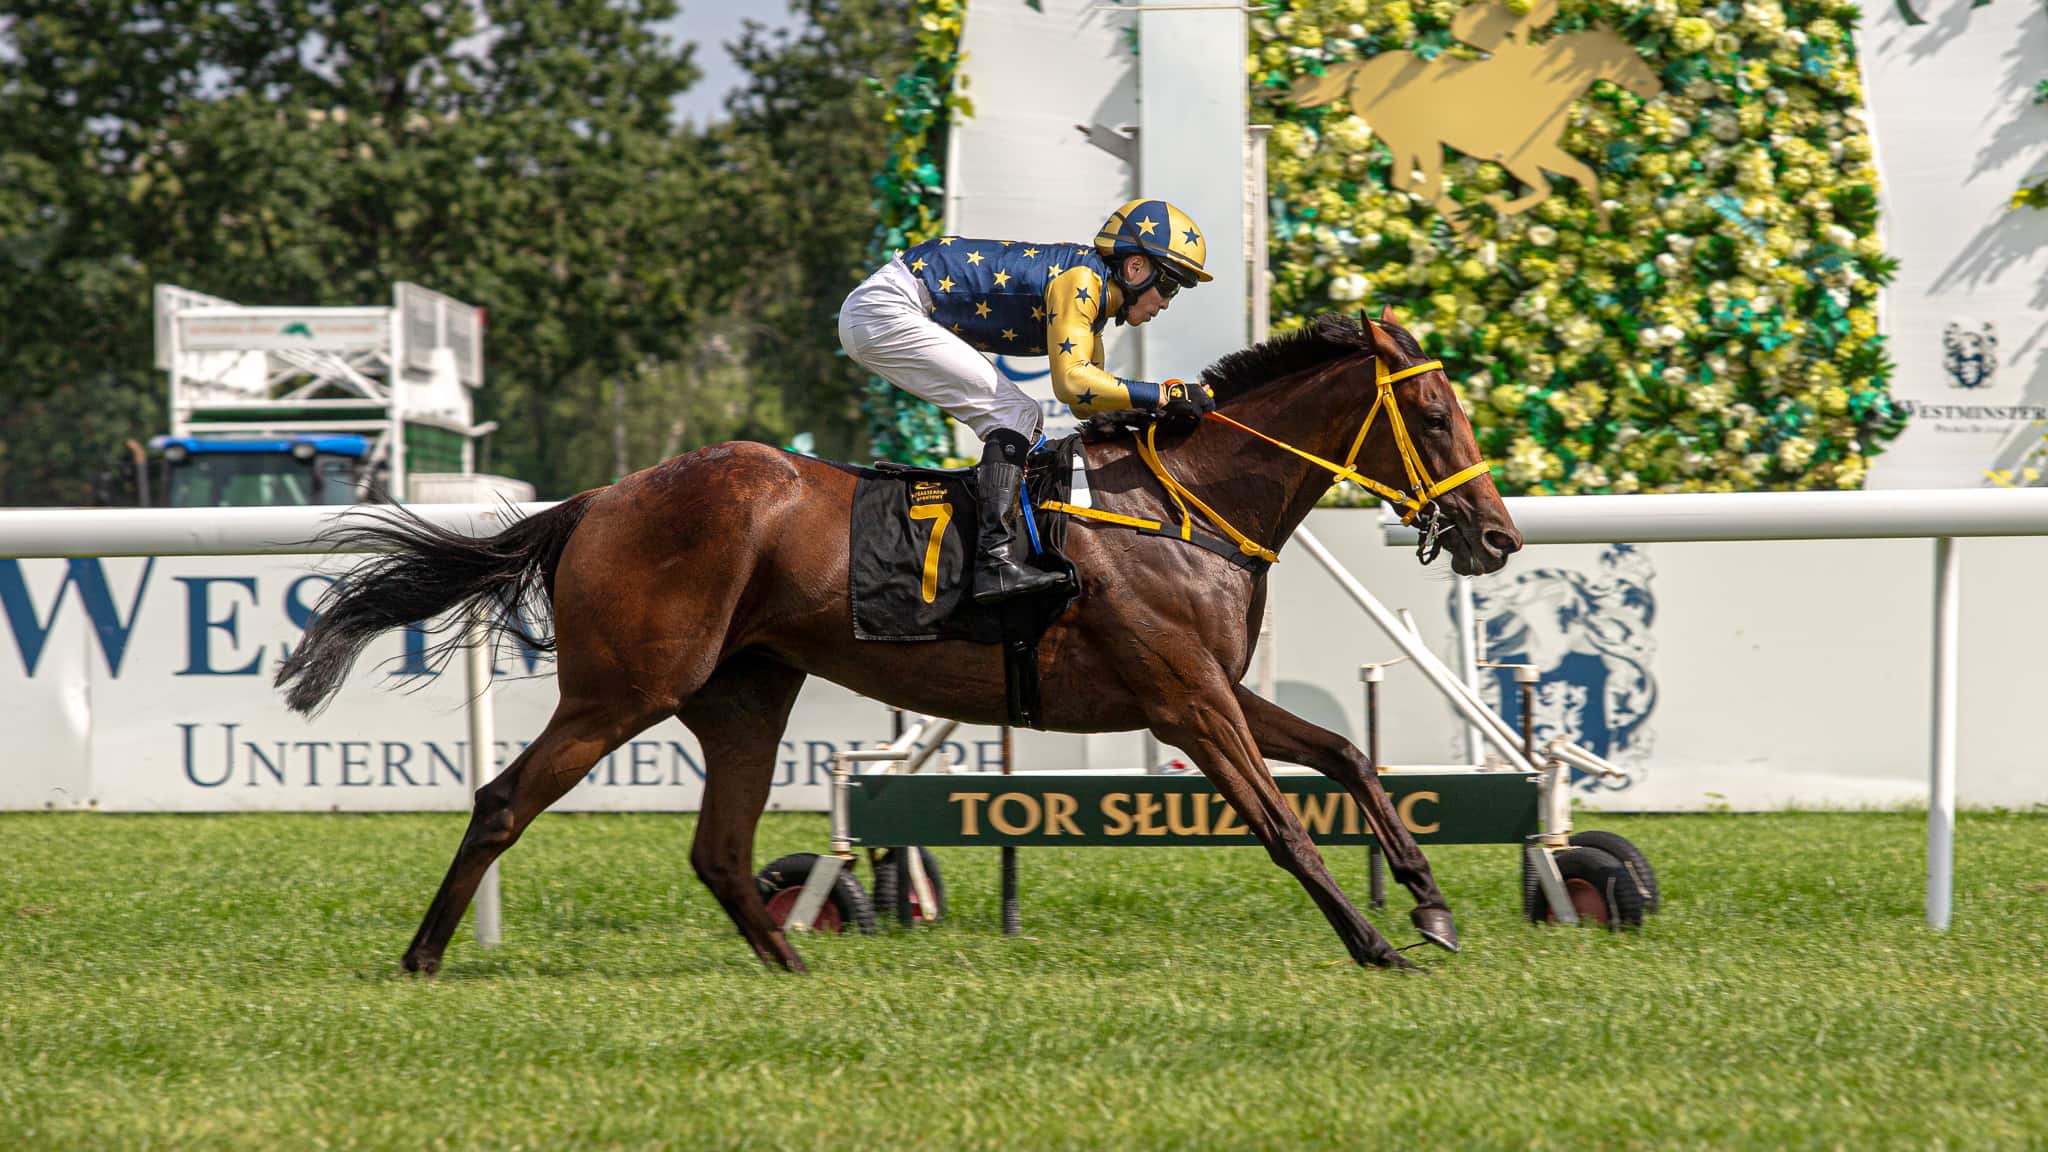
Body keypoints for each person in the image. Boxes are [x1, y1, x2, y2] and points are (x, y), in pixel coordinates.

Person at [839, 198, 1216, 604]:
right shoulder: (1081, 282)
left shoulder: (1094, 307)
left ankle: (994, 554)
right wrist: (1160, 395)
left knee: (1017, 414)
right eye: (1170, 285)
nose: (1166, 302)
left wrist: (1167, 410)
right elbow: (1071, 383)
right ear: (1136, 268)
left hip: (890, 308)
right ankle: (993, 562)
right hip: (886, 309)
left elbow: (1085, 406)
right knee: (1017, 413)